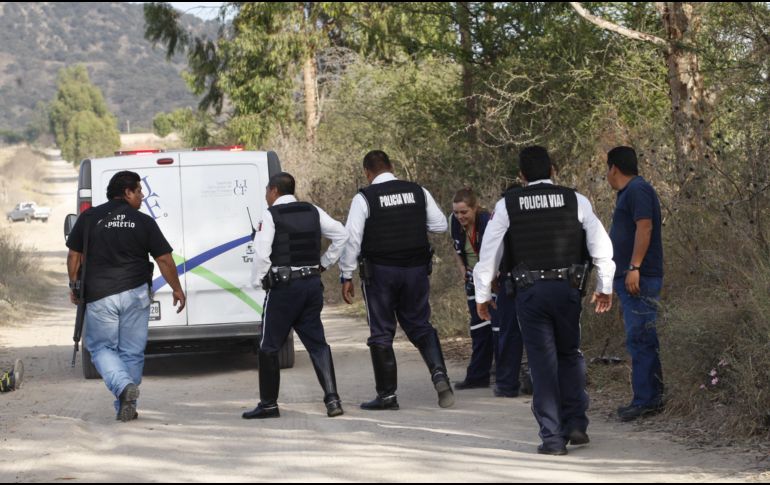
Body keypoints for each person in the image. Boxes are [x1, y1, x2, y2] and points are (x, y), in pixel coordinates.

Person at [474, 146, 615, 455]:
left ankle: (552, 438)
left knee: (542, 363)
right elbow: (600, 246)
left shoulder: (508, 204)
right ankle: (576, 423)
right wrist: (605, 286)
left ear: (521, 176)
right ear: (553, 170)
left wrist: (482, 295)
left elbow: (489, 255)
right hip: (567, 290)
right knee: (570, 354)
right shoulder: (576, 200)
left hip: (530, 292)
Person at [66, 171, 186, 422]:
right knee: (131, 351)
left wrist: (74, 285)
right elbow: (164, 258)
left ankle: (122, 388)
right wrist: (176, 288)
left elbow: (74, 256)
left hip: (100, 295)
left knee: (100, 347)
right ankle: (126, 401)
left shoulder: (88, 218)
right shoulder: (143, 222)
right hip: (136, 294)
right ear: (127, 192)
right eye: (139, 191)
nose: (142, 196)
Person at [340, 150, 454, 410]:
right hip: (416, 272)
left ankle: (387, 396)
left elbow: (353, 239)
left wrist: (346, 275)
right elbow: (439, 225)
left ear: (367, 173)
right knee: (420, 325)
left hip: (380, 274)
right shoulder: (417, 191)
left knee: (381, 332)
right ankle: (440, 375)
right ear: (392, 167)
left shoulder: (364, 198)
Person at [243, 172, 348, 420]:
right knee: (317, 344)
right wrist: (324, 263)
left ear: (274, 191)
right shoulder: (313, 210)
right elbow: (341, 234)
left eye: (267, 191)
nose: (266, 196)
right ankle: (333, 400)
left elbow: (261, 254)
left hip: (284, 289)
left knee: (268, 346)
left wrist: (260, 281)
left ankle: (269, 405)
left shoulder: (271, 215)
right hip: (311, 286)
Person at [606, 146, 665, 422]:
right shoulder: (628, 193)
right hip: (630, 276)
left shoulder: (638, 190)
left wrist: (634, 267)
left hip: (639, 277)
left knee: (641, 336)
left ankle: (647, 400)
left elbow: (645, 226)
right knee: (640, 336)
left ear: (613, 168)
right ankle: (650, 395)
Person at [449, 188, 496, 390]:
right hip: (472, 278)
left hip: (493, 279)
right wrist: (461, 268)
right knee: (478, 328)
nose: (460, 217)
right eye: (457, 212)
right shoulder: (453, 221)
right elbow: (456, 247)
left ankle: (504, 375)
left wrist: (490, 282)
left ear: (475, 208)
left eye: (464, 212)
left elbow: (494, 253)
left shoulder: (487, 221)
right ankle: (478, 375)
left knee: (498, 328)